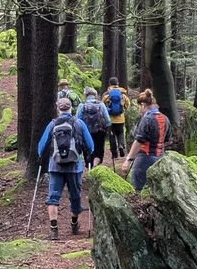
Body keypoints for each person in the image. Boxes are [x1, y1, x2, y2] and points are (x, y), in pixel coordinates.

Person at [36, 98, 95, 239]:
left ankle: (53, 229)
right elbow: (91, 146)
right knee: (75, 196)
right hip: (75, 167)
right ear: (71, 108)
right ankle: (74, 224)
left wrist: (44, 156)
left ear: (58, 109)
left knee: (53, 197)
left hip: (55, 166)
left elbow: (41, 147)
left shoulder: (52, 124)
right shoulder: (79, 123)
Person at [124, 89, 171, 192]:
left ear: (143, 105)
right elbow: (167, 139)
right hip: (160, 158)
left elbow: (138, 141)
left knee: (138, 188)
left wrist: (128, 159)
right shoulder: (165, 119)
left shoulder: (147, 119)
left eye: (139, 107)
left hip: (144, 158)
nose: (139, 110)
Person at [76, 87, 108, 169]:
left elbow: (77, 119)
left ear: (85, 95)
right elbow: (108, 120)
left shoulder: (81, 106)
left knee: (87, 149)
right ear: (95, 95)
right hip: (99, 131)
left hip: (86, 131)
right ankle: (95, 165)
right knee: (98, 149)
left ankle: (89, 165)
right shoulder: (101, 105)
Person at [101, 77, 131, 161]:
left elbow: (102, 106)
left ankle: (114, 154)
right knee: (120, 133)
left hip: (109, 119)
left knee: (112, 136)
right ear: (117, 83)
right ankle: (121, 145)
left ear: (109, 84)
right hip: (120, 119)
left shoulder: (107, 95)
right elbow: (128, 105)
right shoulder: (122, 94)